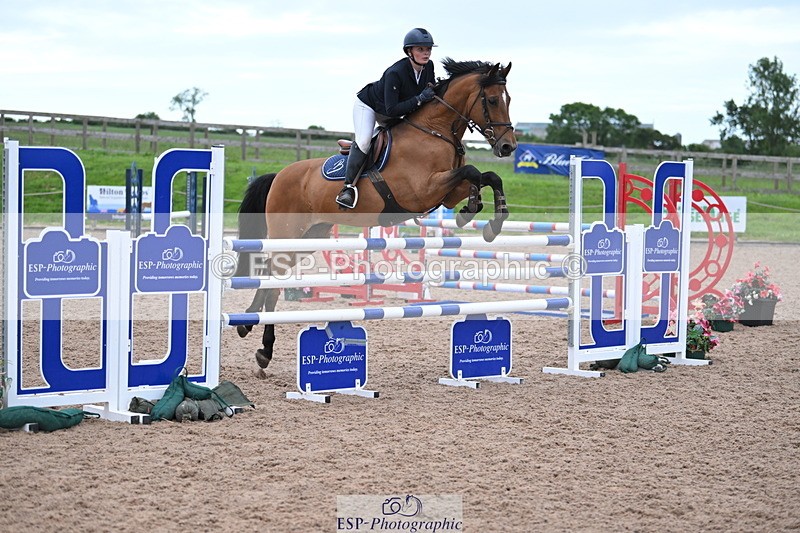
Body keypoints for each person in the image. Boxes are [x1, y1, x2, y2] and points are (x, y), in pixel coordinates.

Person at [335, 27, 438, 209]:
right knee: (365, 141)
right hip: (370, 107)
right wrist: (419, 99)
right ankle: (347, 188)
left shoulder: (428, 67)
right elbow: (392, 110)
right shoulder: (395, 73)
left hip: (395, 110)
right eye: (420, 49)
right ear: (409, 51)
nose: (426, 53)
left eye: (428, 49)